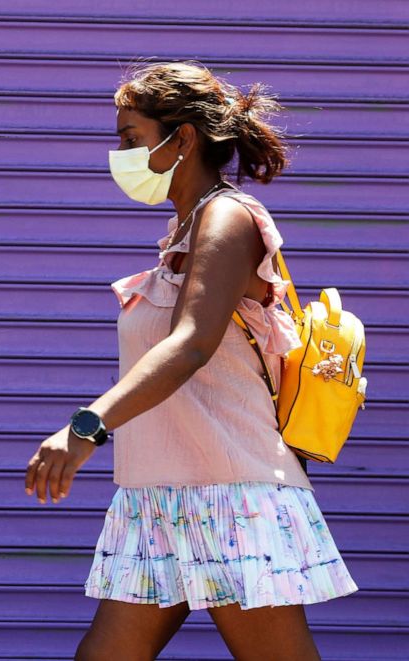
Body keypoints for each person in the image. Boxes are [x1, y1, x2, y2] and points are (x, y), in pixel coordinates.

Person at [23, 61, 358, 660]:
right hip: (157, 497)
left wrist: (87, 427)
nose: (120, 153)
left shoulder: (228, 218)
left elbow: (191, 343)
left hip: (228, 493)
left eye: (132, 138)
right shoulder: (182, 233)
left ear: (184, 138)